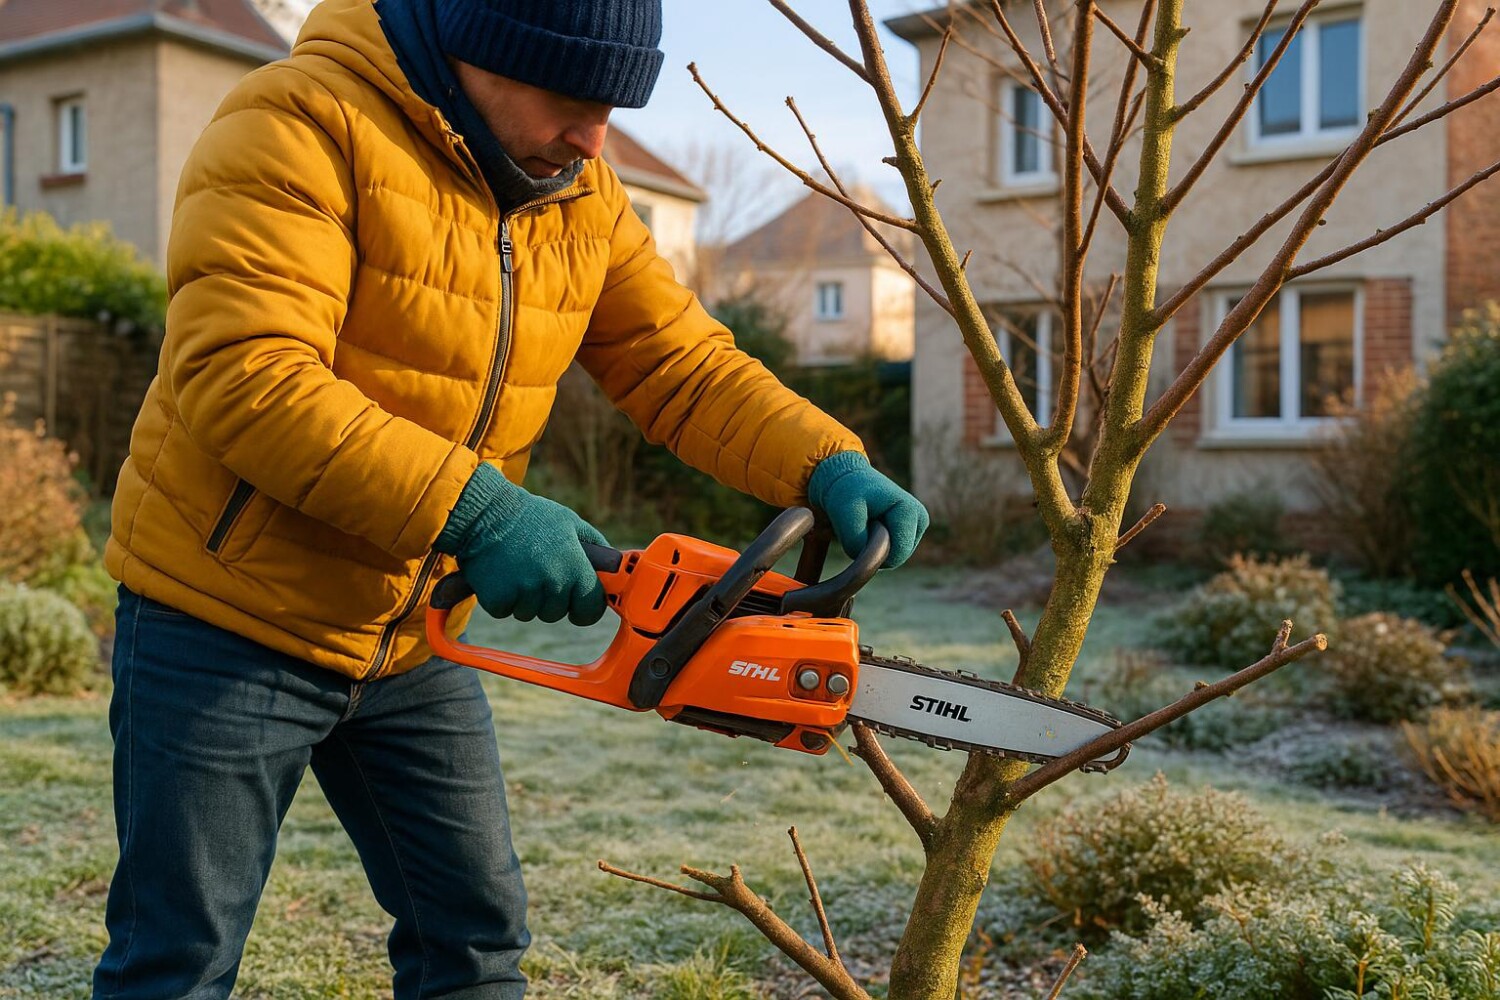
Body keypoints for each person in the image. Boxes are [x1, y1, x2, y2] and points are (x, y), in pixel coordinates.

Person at [92, 0, 928, 996]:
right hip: (224, 616)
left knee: (477, 943)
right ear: (474, 57)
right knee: (177, 961)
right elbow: (247, 377)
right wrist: (480, 511)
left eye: (612, 107)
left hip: (409, 630)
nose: (594, 137)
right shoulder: (297, 123)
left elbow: (678, 364)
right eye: (570, 101)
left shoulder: (580, 193)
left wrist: (824, 460)